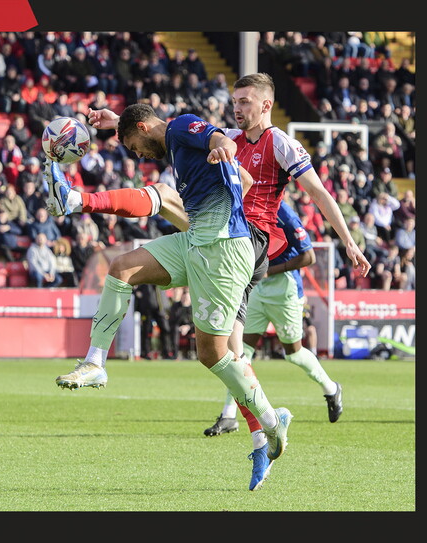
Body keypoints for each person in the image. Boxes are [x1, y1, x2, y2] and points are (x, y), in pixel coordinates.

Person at [50, 75, 370, 484]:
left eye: (246, 101)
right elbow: (169, 129)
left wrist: (348, 243)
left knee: (165, 199)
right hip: (210, 233)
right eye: (235, 100)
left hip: (243, 243)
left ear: (267, 104)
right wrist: (118, 121)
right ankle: (262, 434)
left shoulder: (277, 143)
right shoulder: (213, 133)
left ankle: (274, 422)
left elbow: (318, 193)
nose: (237, 107)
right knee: (215, 343)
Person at [48, 105, 294, 491]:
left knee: (214, 355)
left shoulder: (180, 127)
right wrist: (119, 123)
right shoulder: (175, 143)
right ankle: (95, 362)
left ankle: (270, 423)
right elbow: (243, 178)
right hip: (198, 240)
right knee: (121, 268)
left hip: (225, 250)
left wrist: (221, 148)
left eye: (134, 145)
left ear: (144, 128)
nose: (138, 155)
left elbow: (216, 137)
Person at [205, 201, 343, 438]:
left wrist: (269, 271)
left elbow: (308, 257)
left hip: (285, 290)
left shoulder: (284, 213)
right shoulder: (245, 204)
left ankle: (331, 388)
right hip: (257, 289)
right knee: (239, 352)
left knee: (294, 353)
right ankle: (229, 415)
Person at [134, 283, 173, 359]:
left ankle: (166, 352)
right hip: (147, 311)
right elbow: (136, 292)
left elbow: (165, 297)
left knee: (166, 330)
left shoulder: (161, 283)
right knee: (147, 332)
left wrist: (166, 310)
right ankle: (146, 352)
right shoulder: (144, 283)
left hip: (160, 310)